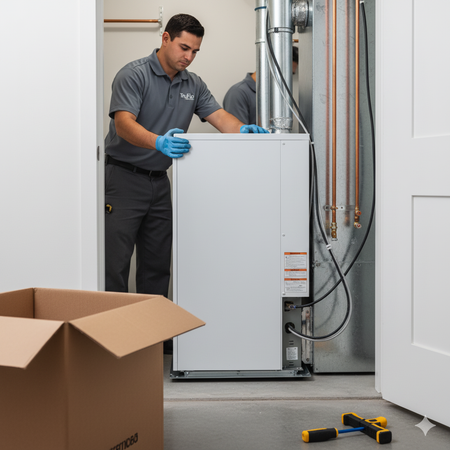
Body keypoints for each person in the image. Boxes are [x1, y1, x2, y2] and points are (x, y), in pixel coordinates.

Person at [104, 13, 267, 297]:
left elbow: (219, 116)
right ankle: (112, 338)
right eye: (184, 48)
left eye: (195, 51)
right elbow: (123, 124)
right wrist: (158, 143)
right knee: (114, 266)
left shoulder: (193, 84)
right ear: (165, 38)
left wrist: (243, 131)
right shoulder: (134, 74)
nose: (189, 57)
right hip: (123, 180)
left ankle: (155, 339)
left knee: (157, 265)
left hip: (159, 182)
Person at [223, 46, 299, 124]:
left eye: (290, 75)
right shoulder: (238, 93)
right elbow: (237, 134)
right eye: (283, 73)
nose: (286, 79)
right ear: (268, 64)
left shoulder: (276, 96)